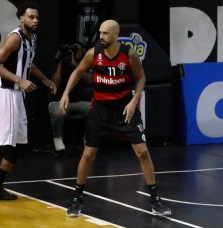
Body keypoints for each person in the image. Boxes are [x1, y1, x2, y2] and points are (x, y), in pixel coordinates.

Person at [61, 20, 171, 217]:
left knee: (142, 152)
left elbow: (141, 78)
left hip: (124, 108)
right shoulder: (93, 54)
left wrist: (134, 101)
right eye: (100, 33)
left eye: (105, 33)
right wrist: (66, 93)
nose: (101, 37)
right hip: (100, 109)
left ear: (116, 35)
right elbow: (78, 72)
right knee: (88, 154)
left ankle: (155, 200)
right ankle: (77, 199)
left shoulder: (129, 54)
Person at [0, 2, 56, 200]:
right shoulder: (14, 39)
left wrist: (45, 80)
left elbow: (28, 63)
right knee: (3, 146)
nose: (35, 20)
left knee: (18, 145)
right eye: (31, 17)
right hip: (7, 93)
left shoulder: (32, 38)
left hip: (18, 96)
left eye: (37, 18)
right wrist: (20, 80)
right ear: (21, 18)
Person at [48, 41, 91, 156]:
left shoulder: (85, 63)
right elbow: (54, 85)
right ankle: (58, 139)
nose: (76, 52)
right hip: (60, 102)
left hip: (79, 102)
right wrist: (60, 62)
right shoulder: (58, 63)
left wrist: (76, 65)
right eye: (74, 50)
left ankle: (88, 139)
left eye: (78, 50)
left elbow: (89, 80)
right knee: (57, 112)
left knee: (94, 109)